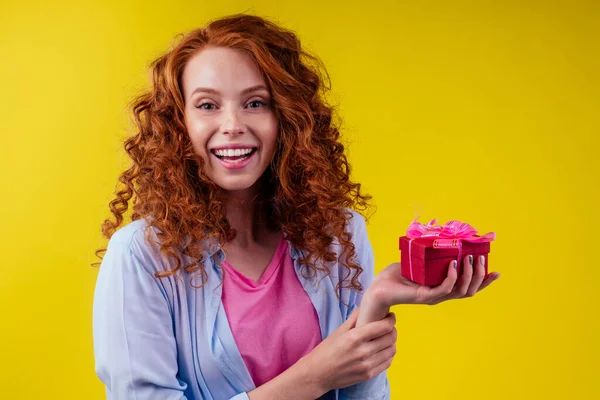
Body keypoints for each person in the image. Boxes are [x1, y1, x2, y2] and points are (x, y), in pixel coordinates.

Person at [92, 13, 500, 400]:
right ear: (178, 123)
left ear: (287, 117)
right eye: (207, 105)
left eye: (256, 103)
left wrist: (376, 305)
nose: (232, 124)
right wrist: (314, 376)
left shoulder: (338, 234)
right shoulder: (142, 256)